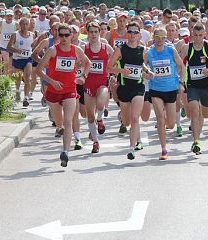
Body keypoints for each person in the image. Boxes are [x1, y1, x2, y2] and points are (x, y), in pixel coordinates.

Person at [36, 23, 90, 167]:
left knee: (68, 121)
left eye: (67, 35)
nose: (65, 38)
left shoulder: (76, 50)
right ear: (57, 36)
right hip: (53, 92)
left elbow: (88, 63)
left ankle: (65, 152)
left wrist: (83, 77)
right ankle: (59, 129)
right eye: (62, 35)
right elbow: (39, 70)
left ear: (72, 36)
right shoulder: (52, 50)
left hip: (70, 91)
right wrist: (51, 82)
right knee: (59, 123)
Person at [178, 23, 208, 155]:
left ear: (204, 35)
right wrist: (181, 81)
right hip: (192, 85)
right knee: (194, 112)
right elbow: (180, 65)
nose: (198, 38)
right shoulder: (187, 48)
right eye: (195, 35)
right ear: (192, 35)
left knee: (204, 113)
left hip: (206, 85)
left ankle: (199, 130)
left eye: (200, 35)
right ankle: (196, 141)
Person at [110, 22, 151, 160]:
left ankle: (131, 148)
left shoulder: (142, 49)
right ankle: (122, 116)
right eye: (130, 32)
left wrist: (147, 72)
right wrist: (121, 70)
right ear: (127, 33)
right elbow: (109, 68)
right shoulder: (120, 49)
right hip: (124, 88)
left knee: (135, 117)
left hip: (138, 88)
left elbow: (141, 64)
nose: (133, 35)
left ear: (139, 34)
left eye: (135, 32)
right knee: (127, 122)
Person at [145, 27, 184, 160]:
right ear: (153, 38)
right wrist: (146, 74)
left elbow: (181, 66)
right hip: (155, 89)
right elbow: (142, 66)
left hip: (171, 89)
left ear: (166, 38)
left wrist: (180, 81)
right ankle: (163, 149)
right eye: (157, 37)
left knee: (171, 124)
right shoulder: (149, 53)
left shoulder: (171, 50)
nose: (160, 40)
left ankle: (170, 118)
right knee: (160, 119)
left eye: (163, 37)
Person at [83, 21, 115, 153]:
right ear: (88, 33)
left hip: (102, 81)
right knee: (90, 117)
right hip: (88, 84)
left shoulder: (106, 47)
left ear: (100, 33)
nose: (94, 34)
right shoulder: (84, 48)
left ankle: (100, 118)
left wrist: (113, 74)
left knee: (101, 104)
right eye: (91, 32)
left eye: (96, 32)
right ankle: (96, 142)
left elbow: (115, 61)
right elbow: (78, 63)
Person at [7, 17, 34, 107]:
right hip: (17, 59)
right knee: (18, 79)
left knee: (27, 77)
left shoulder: (32, 35)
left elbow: (34, 46)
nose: (25, 26)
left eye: (27, 24)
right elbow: (8, 47)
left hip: (28, 59)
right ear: (20, 25)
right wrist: (16, 50)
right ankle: (18, 91)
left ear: (29, 25)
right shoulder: (15, 35)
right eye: (23, 24)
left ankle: (26, 97)